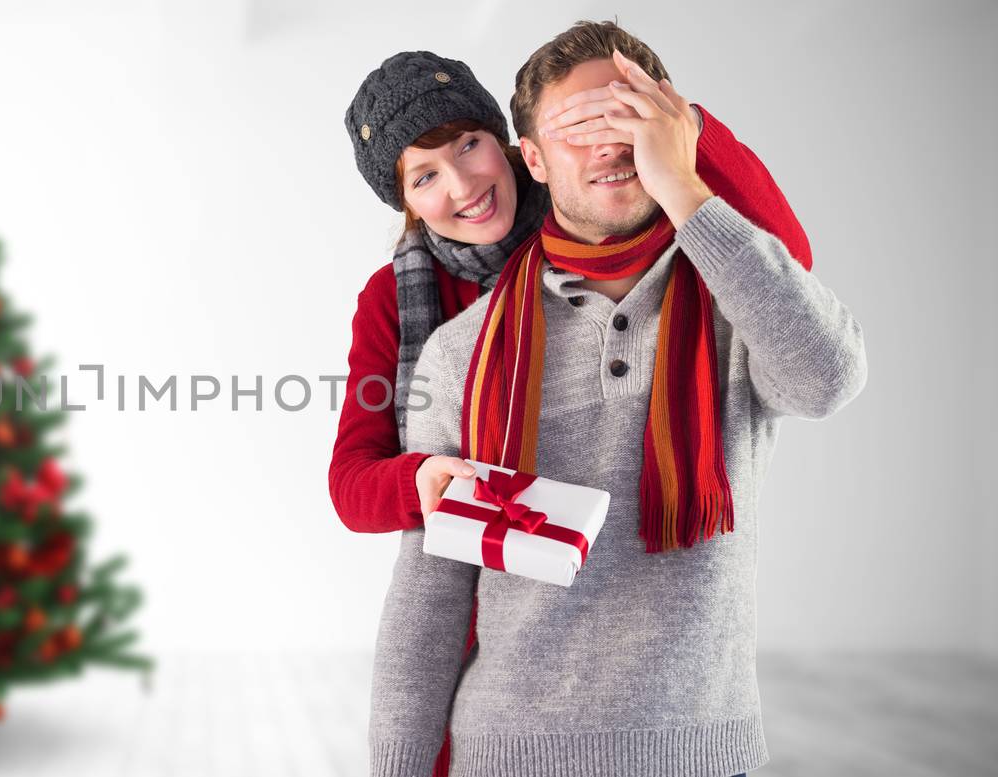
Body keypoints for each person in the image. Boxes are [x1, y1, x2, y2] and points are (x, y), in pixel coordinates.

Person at [366, 21, 866, 777]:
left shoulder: (740, 299)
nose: (607, 143)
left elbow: (828, 380)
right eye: (578, 126)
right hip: (506, 753)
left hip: (699, 750)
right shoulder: (461, 349)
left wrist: (686, 184)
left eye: (625, 114)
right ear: (530, 157)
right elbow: (426, 603)